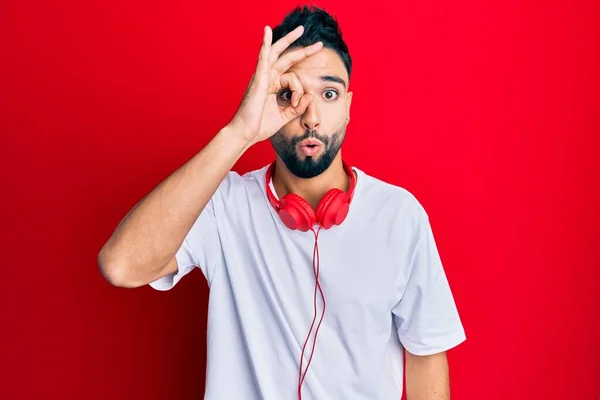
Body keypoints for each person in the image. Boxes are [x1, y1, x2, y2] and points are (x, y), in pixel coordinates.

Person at [98, 5, 466, 400]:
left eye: (329, 94)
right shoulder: (223, 207)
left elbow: (426, 354)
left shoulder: (400, 215)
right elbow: (121, 266)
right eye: (291, 93)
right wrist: (240, 131)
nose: (310, 115)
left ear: (347, 107)